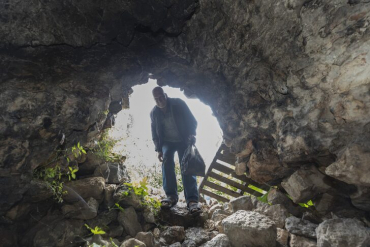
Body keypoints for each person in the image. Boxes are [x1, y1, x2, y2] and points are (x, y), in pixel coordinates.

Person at [150, 86, 201, 214]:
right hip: (167, 142)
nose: (160, 100)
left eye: (161, 97)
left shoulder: (178, 104)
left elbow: (192, 120)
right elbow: (154, 133)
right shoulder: (154, 112)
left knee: (187, 165)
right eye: (156, 99)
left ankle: (192, 200)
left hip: (183, 139)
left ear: (165, 95)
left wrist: (192, 134)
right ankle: (171, 196)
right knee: (167, 161)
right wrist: (158, 149)